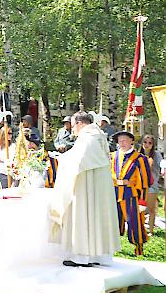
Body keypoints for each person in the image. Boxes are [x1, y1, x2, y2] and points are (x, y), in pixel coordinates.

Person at [49, 113, 121, 267]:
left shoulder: (89, 137)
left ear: (80, 123)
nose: (73, 129)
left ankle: (82, 257)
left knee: (84, 216)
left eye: (73, 125)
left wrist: (61, 159)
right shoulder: (98, 135)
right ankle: (98, 256)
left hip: (86, 185)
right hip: (97, 185)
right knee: (96, 218)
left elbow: (80, 161)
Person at [111, 131, 152, 256]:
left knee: (134, 221)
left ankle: (138, 248)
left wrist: (142, 201)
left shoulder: (140, 159)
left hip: (131, 194)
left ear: (131, 141)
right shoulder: (112, 156)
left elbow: (145, 181)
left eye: (125, 140)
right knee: (113, 221)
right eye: (120, 140)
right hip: (114, 192)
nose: (122, 143)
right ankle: (111, 249)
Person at [140, 134, 162, 235]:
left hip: (152, 186)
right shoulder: (137, 154)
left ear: (153, 145)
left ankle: (151, 231)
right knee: (140, 209)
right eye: (145, 142)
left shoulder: (157, 155)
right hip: (139, 186)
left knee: (151, 209)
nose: (147, 144)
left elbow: (160, 169)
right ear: (142, 143)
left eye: (150, 143)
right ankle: (141, 228)